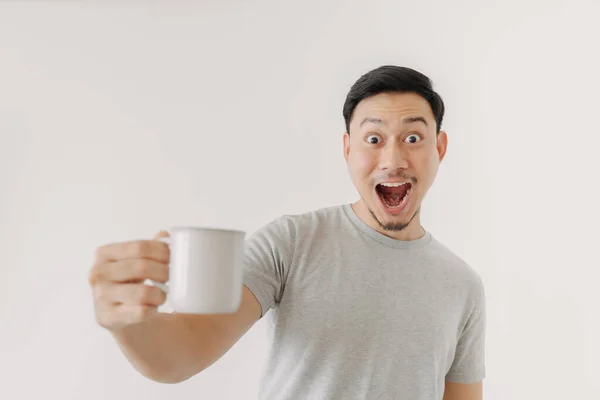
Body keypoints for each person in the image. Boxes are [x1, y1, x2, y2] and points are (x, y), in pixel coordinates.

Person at [89, 65, 486, 400]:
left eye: (413, 138)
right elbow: (184, 350)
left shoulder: (462, 284)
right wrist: (128, 321)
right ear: (348, 149)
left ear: (440, 148)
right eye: (374, 139)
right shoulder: (292, 242)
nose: (393, 159)